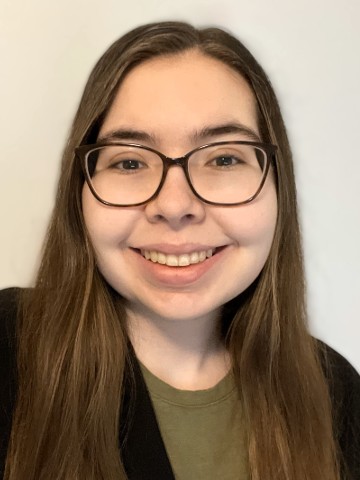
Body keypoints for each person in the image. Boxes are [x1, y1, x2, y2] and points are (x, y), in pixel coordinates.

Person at [0, 21, 359, 480]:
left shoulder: (337, 394)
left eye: (224, 158)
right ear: (80, 193)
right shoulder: (10, 350)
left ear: (277, 187)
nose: (174, 205)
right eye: (129, 161)